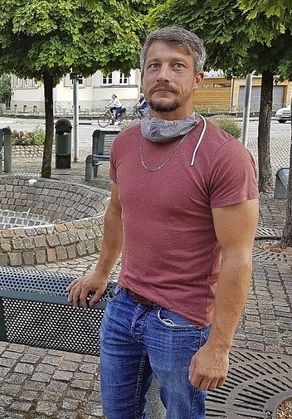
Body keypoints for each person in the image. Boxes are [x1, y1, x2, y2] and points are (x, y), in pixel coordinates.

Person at [67, 26, 259, 418]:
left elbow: (237, 255)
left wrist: (219, 346)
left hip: (183, 323)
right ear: (142, 77)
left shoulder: (225, 156)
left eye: (177, 66)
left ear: (197, 79)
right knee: (118, 413)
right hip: (123, 309)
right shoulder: (124, 142)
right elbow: (118, 212)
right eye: (154, 65)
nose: (164, 76)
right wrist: (101, 273)